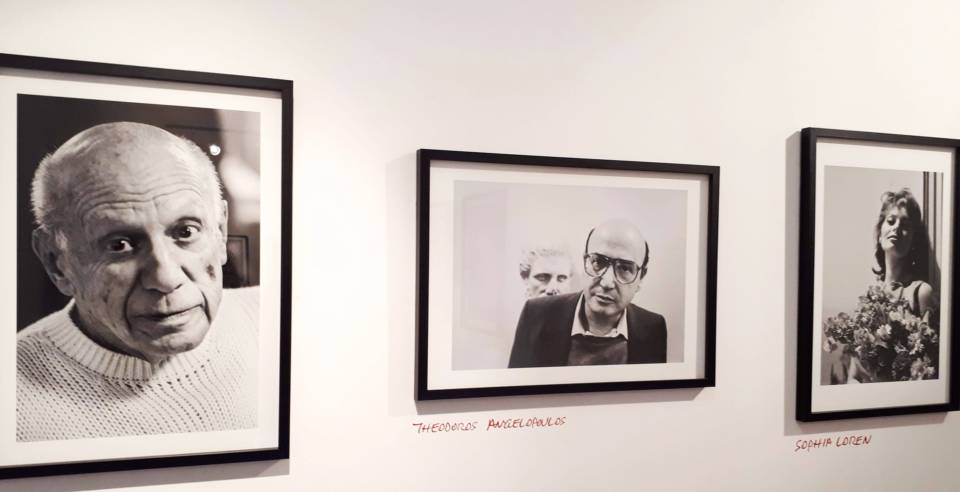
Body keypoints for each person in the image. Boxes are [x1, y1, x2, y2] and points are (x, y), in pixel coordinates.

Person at [17, 122, 258, 441]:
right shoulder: (14, 403)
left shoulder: (284, 325)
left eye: (185, 232)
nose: (166, 278)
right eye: (120, 245)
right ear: (56, 262)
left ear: (220, 232)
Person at [508, 219, 667, 367]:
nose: (607, 282)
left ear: (641, 277)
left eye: (625, 268)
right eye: (598, 262)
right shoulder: (536, 315)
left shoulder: (652, 328)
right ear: (585, 262)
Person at [827, 189, 939, 384]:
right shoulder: (868, 299)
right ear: (880, 234)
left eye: (905, 225)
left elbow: (931, 371)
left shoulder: (920, 293)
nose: (897, 227)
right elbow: (854, 374)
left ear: (913, 240)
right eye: (891, 221)